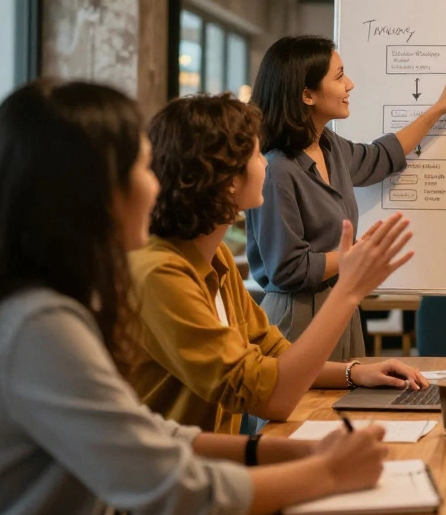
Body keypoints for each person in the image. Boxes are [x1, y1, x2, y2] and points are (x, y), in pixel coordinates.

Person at [0, 81, 398, 515]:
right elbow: (176, 495)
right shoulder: (37, 323)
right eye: (141, 168)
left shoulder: (45, 303)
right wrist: (326, 472)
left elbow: (144, 434)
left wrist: (292, 451)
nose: (156, 184)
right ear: (92, 192)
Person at [129, 93, 429, 435]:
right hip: (179, 468)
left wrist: (355, 372)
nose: (266, 164)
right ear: (228, 180)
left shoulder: (216, 257)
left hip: (211, 460)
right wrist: (348, 290)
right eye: (257, 155)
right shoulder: (161, 274)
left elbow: (274, 355)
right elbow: (271, 397)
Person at [248, 36, 446, 351]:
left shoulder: (330, 147)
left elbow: (381, 157)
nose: (350, 84)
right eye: (339, 76)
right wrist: (356, 254)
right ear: (308, 95)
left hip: (338, 308)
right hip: (296, 319)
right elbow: (287, 269)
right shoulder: (277, 170)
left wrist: (438, 110)